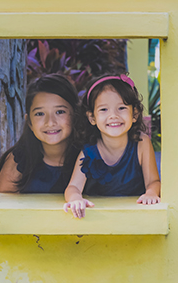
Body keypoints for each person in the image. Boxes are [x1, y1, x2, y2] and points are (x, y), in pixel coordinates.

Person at [63, 74, 161, 218]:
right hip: (99, 219)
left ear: (134, 114)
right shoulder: (89, 152)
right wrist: (75, 198)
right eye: (103, 110)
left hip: (133, 217)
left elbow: (153, 181)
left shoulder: (141, 143)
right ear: (92, 118)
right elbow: (73, 187)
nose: (113, 115)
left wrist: (150, 193)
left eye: (121, 108)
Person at [0, 74, 82, 193]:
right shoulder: (19, 160)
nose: (50, 122)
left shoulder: (91, 156)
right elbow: (1, 208)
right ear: (29, 122)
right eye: (40, 114)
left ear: (75, 115)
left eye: (60, 112)